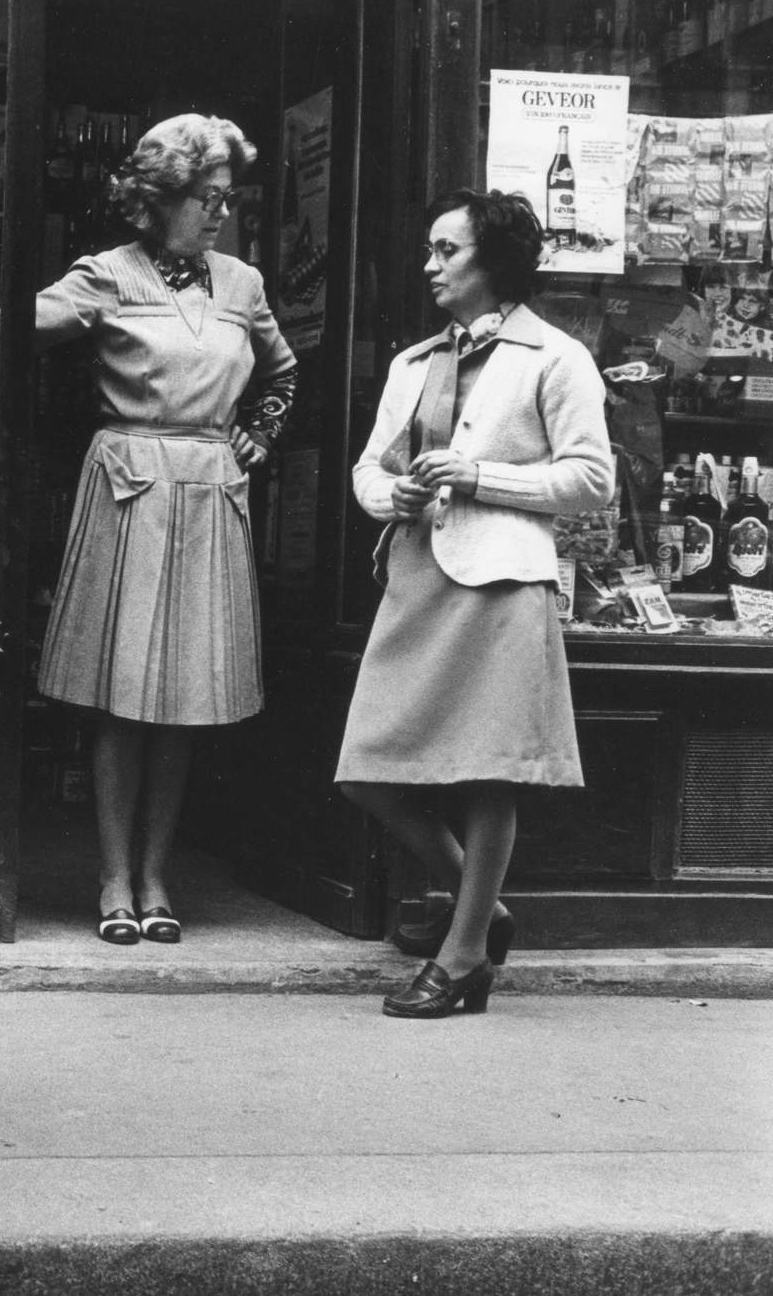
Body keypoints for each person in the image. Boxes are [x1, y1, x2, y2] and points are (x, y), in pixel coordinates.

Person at [0, 114, 296, 945]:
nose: (220, 212)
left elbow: (282, 370)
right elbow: (8, 326)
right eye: (205, 197)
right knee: (121, 700)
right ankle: (112, 879)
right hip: (131, 490)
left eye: (228, 197)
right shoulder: (107, 275)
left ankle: (155, 875)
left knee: (182, 699)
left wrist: (260, 432)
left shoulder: (242, 284)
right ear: (159, 201)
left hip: (210, 489)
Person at [335, 189, 614, 1018]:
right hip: (419, 574)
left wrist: (479, 476)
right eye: (430, 249)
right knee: (368, 770)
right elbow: (367, 470)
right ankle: (482, 911)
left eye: (446, 250)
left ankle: (461, 962)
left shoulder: (555, 358)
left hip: (501, 581)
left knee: (491, 777)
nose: (430, 265)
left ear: (493, 262)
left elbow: (592, 481)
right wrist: (397, 499)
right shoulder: (415, 363)